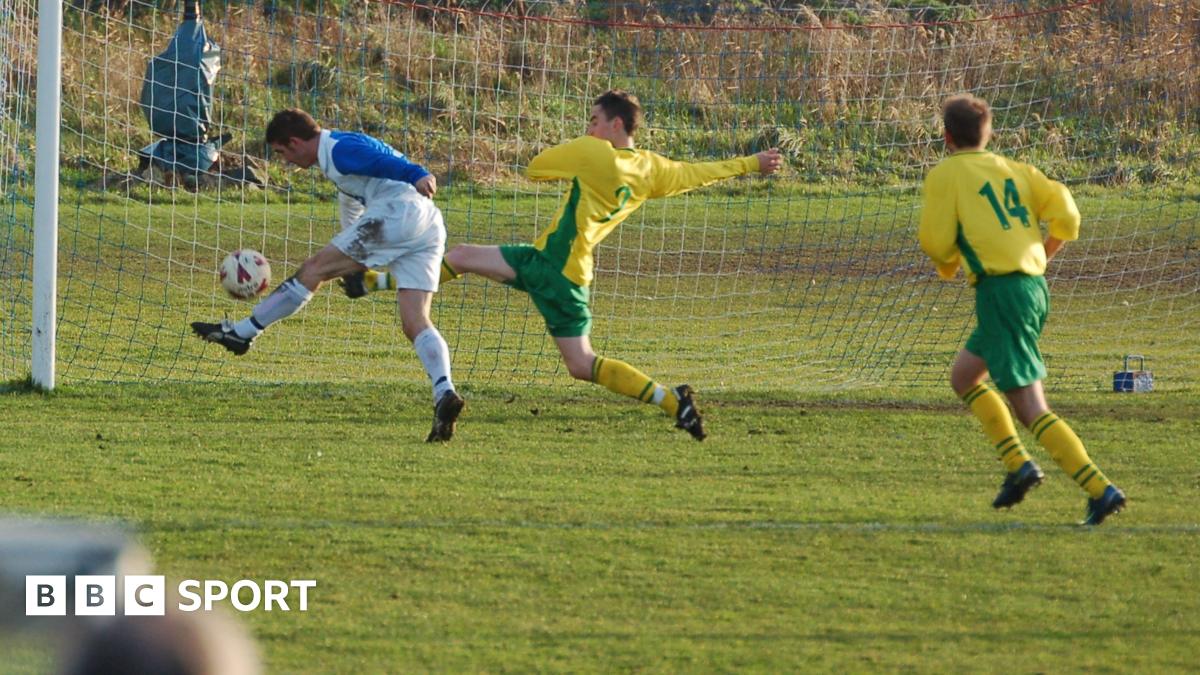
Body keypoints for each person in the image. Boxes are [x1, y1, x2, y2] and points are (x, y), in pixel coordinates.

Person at [440, 90, 781, 440]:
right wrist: (751, 163)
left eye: (594, 121)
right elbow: (698, 173)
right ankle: (380, 281)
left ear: (615, 124)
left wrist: (581, 151)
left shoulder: (594, 152)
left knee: (581, 363)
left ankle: (670, 400)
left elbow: (536, 168)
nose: (589, 128)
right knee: (464, 256)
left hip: (558, 268)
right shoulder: (651, 168)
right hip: (553, 263)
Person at [190, 108, 465, 442]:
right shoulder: (336, 157)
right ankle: (444, 393)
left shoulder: (339, 149)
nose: (286, 161)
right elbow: (355, 205)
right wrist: (356, 268)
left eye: (283, 153)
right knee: (415, 321)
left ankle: (242, 333)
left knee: (312, 270)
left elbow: (378, 161)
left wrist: (417, 172)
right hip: (427, 225)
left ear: (294, 142)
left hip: (400, 212)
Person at [918, 93, 1126, 525]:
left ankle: (1099, 489)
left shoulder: (946, 174)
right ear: (988, 132)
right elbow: (1067, 213)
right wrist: (1045, 253)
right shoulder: (1015, 169)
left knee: (1030, 407)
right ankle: (1018, 466)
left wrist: (948, 263)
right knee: (964, 377)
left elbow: (937, 242)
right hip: (1030, 288)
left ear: (945, 137)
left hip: (1002, 293)